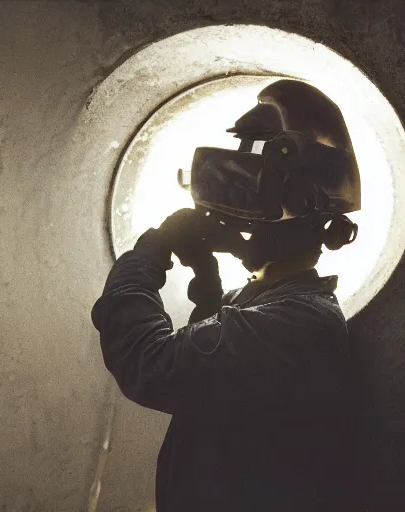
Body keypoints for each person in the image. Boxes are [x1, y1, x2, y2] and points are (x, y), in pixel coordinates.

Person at [91, 80, 361, 511]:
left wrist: (148, 254)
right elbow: (212, 368)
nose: (233, 205)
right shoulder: (260, 301)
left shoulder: (301, 323)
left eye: (255, 185)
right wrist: (209, 281)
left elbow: (149, 362)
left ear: (300, 206)